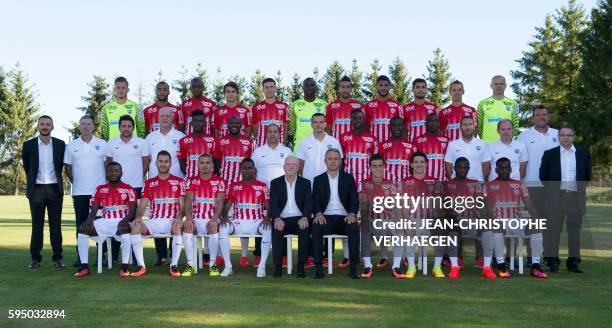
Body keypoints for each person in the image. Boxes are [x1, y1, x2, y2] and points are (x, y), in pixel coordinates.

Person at [540, 125, 591, 273]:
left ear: (573, 137)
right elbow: (543, 176)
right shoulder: (550, 154)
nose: (566, 138)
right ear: (558, 137)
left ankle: (574, 262)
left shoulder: (583, 154)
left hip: (575, 198)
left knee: (575, 231)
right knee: (553, 231)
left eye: (569, 135)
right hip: (557, 197)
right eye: (563, 135)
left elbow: (587, 176)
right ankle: (552, 261)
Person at [486, 158, 548, 278]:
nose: (504, 170)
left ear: (510, 169)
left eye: (506, 168)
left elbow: (529, 205)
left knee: (537, 225)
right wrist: (493, 219)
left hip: (515, 222)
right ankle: (501, 265)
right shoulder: (489, 186)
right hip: (498, 221)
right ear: (496, 170)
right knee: (495, 226)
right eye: (501, 168)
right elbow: (487, 209)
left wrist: (535, 217)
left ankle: (535, 266)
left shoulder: (519, 184)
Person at [73, 162, 136, 277]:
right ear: (106, 173)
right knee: (82, 229)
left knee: (125, 228)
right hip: (105, 221)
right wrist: (88, 220)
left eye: (117, 170)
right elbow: (94, 210)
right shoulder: (100, 189)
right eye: (111, 170)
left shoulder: (128, 189)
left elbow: (131, 212)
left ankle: (124, 267)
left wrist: (125, 220)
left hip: (121, 221)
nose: (114, 173)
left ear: (121, 173)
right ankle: (84, 266)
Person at [129, 151, 186, 277]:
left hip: (171, 221)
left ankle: (174, 265)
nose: (163, 164)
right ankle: (141, 266)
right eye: (161, 161)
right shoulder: (149, 183)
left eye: (166, 161)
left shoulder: (179, 182)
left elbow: (183, 206)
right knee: (135, 226)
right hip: (154, 222)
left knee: (177, 225)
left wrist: (179, 216)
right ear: (156, 163)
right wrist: (138, 217)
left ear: (171, 164)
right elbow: (142, 205)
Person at [22, 115, 66, 269]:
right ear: (38, 126)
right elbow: (27, 167)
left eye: (48, 124)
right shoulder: (28, 145)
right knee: (37, 225)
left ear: (52, 127)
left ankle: (58, 257)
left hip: (55, 189)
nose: (45, 126)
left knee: (56, 225)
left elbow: (61, 165)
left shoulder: (61, 145)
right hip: (37, 190)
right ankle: (35, 258)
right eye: (42, 124)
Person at [105, 115, 150, 263]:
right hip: (116, 188)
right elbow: (109, 166)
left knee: (133, 222)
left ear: (133, 128)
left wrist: (137, 179)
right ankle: (115, 257)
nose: (126, 128)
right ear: (119, 128)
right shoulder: (111, 143)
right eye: (123, 126)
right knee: (117, 220)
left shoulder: (141, 143)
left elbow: (145, 165)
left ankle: (136, 258)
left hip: (135, 188)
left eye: (129, 126)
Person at [64, 115, 106, 267]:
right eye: (83, 124)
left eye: (89, 124)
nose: (86, 127)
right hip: (80, 192)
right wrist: (77, 183)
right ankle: (80, 257)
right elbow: (67, 168)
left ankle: (102, 256)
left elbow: (108, 165)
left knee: (100, 225)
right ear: (79, 127)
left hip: (99, 193)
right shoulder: (71, 146)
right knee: (81, 225)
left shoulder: (102, 144)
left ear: (93, 126)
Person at [443, 157, 496, 279]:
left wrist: (482, 219)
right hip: (454, 219)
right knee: (452, 230)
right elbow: (444, 205)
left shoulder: (475, 183)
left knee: (487, 231)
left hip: (471, 220)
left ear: (469, 169)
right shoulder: (448, 184)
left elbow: (480, 203)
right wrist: (452, 218)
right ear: (455, 168)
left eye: (465, 167)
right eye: (460, 167)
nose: (462, 170)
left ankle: (487, 267)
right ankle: (454, 267)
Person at [311, 149, 360, 279]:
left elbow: (354, 199)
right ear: (325, 161)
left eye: (336, 159)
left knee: (353, 227)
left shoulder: (348, 178)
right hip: (325, 218)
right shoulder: (318, 180)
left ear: (340, 161)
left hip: (344, 218)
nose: (333, 161)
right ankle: (319, 268)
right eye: (330, 159)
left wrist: (352, 214)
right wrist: (318, 214)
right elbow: (315, 200)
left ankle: (354, 267)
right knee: (316, 227)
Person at [219, 158, 272, 278]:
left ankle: (261, 267)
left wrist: (267, 219)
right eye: (244, 168)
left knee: (268, 229)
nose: (247, 171)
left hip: (256, 222)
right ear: (240, 170)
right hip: (238, 222)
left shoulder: (262, 186)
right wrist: (225, 217)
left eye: (250, 168)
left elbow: (269, 206)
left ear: (254, 169)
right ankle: (228, 267)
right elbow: (227, 205)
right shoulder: (234, 186)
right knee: (223, 228)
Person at [357, 154, 401, 278]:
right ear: (370, 168)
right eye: (374, 166)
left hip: (388, 220)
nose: (377, 169)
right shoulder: (364, 183)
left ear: (384, 167)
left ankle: (396, 267)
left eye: (380, 166)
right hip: (371, 220)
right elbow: (363, 205)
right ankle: (368, 266)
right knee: (364, 228)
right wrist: (364, 221)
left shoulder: (391, 184)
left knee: (400, 229)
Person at [399, 151, 440, 278]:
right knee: (407, 231)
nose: (419, 164)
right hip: (413, 220)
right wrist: (407, 221)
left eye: (422, 162)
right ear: (411, 164)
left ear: (426, 164)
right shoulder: (405, 182)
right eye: (416, 162)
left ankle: (437, 267)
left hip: (430, 221)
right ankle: (411, 267)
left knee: (443, 229)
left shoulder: (434, 182)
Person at [269, 155, 312, 278]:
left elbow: (309, 202)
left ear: (298, 168)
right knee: (277, 229)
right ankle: (278, 266)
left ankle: (300, 266)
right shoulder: (275, 183)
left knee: (304, 229)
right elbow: (274, 203)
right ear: (284, 167)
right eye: (288, 164)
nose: (291, 166)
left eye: (294, 164)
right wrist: (276, 217)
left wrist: (305, 217)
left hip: (299, 218)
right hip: (282, 218)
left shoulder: (305, 183)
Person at [184, 154, 226, 277]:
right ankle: (190, 265)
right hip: (197, 219)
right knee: (188, 226)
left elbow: (220, 202)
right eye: (202, 163)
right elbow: (188, 200)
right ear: (197, 165)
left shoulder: (219, 181)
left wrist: (214, 219)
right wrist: (189, 217)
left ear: (212, 165)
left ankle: (212, 264)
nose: (205, 165)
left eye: (208, 163)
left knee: (213, 226)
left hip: (212, 218)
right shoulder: (192, 181)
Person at [296, 113, 343, 184]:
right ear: (311, 125)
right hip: (309, 183)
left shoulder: (334, 142)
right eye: (315, 122)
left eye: (321, 122)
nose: (318, 125)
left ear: (325, 124)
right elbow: (300, 164)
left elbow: (339, 164)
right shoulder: (304, 142)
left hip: (328, 183)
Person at [339, 109, 379, 185]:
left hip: (367, 179)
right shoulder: (343, 137)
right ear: (351, 121)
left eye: (360, 118)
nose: (357, 121)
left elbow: (375, 161)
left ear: (364, 120)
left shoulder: (372, 139)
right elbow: (341, 159)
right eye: (355, 118)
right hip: (348, 179)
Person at [445, 116, 490, 182]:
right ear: (460, 128)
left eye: (470, 124)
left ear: (474, 127)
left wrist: (480, 180)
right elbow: (448, 166)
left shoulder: (483, 144)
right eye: (465, 125)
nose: (468, 127)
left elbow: (486, 166)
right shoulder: (452, 145)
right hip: (457, 184)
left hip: (477, 184)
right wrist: (453, 180)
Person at [476, 75, 519, 143]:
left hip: (506, 144)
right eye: (496, 84)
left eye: (501, 84)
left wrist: (508, 140)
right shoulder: (482, 103)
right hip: (487, 145)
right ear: (491, 86)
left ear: (505, 85)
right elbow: (479, 126)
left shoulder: (514, 104)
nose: (499, 86)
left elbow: (515, 126)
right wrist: (484, 140)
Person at [288, 77, 327, 151]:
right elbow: (292, 127)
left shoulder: (324, 105)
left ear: (315, 87)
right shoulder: (294, 105)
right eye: (306, 85)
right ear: (303, 88)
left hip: (319, 145)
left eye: (312, 85)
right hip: (300, 145)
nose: (309, 87)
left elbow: (327, 126)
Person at [213, 116, 254, 185]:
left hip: (242, 182)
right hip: (224, 181)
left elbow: (251, 161)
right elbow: (217, 160)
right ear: (227, 125)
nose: (234, 125)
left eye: (237, 123)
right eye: (231, 123)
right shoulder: (220, 141)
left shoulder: (249, 142)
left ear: (241, 125)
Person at [146, 107, 185, 178]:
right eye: (162, 116)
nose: (165, 118)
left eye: (168, 116)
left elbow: (185, 160)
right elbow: (147, 160)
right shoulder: (150, 137)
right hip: (154, 181)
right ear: (158, 118)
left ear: (173, 118)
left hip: (176, 183)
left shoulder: (181, 136)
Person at [363, 75, 402, 144]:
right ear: (376, 87)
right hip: (374, 145)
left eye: (386, 85)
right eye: (380, 85)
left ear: (390, 87)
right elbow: (365, 126)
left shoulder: (397, 106)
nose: (383, 88)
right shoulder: (368, 106)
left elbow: (402, 127)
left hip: (392, 145)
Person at [177, 109, 216, 179]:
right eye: (196, 121)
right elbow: (181, 162)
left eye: (201, 121)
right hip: (190, 180)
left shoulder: (213, 140)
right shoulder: (184, 141)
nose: (198, 123)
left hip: (208, 180)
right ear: (191, 123)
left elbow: (215, 161)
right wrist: (188, 175)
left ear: (205, 123)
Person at [251, 78, 289, 147]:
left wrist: (283, 142)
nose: (269, 90)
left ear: (275, 88)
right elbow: (254, 128)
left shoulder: (284, 106)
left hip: (279, 146)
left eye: (271, 87)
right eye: (266, 87)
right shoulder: (256, 107)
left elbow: (286, 127)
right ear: (263, 90)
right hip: (261, 146)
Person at [412, 113, 449, 181]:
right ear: (426, 124)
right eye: (430, 121)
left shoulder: (446, 140)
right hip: (422, 182)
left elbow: (449, 162)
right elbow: (413, 162)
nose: (433, 123)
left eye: (435, 121)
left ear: (439, 124)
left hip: (441, 181)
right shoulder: (417, 140)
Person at [325, 76, 363, 140]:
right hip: (336, 145)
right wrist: (331, 142)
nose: (345, 90)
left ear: (351, 89)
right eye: (343, 87)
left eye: (348, 87)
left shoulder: (358, 106)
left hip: (353, 144)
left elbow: (362, 127)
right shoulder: (331, 106)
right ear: (339, 89)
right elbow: (328, 128)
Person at [380, 116, 416, 182]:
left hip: (406, 185)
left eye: (399, 125)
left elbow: (414, 168)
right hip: (387, 184)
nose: (397, 128)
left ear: (403, 127)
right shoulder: (382, 146)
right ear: (389, 127)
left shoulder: (412, 147)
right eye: (394, 125)